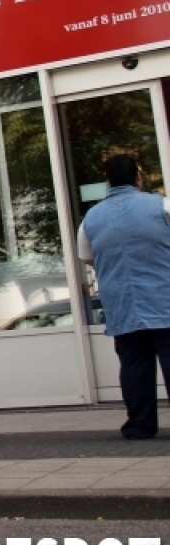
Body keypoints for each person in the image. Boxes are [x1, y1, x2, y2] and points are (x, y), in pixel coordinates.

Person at [77, 154, 170, 439]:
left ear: (108, 182)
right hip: (164, 298)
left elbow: (87, 258)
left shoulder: (91, 218)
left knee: (133, 365)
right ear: (138, 177)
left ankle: (140, 425)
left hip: (121, 303)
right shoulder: (162, 206)